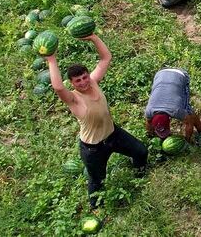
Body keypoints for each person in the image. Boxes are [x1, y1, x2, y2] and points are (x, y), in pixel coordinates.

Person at [45, 35, 147, 209]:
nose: (84, 82)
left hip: (113, 134)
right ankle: (96, 208)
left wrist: (93, 37)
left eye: (84, 77)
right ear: (72, 83)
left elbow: (106, 58)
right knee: (97, 181)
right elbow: (58, 87)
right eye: (78, 80)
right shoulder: (74, 99)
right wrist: (51, 59)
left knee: (141, 151)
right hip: (93, 148)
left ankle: (139, 176)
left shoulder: (94, 82)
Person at [145, 68, 201, 145]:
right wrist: (150, 136)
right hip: (160, 74)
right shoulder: (149, 111)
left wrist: (187, 141)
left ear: (169, 120)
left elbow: (189, 123)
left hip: (179, 75)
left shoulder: (177, 111)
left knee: (188, 110)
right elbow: (148, 123)